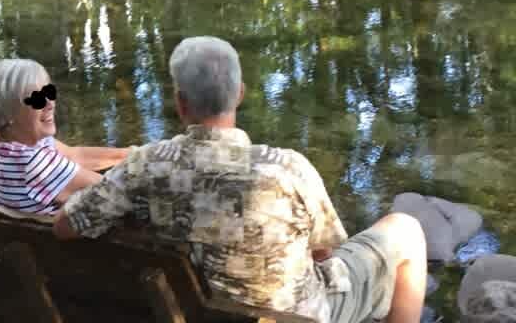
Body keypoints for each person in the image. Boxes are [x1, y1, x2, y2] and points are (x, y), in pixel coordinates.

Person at [53, 36, 427, 323]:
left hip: (191, 311)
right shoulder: (287, 169)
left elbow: (65, 226)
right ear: (241, 94)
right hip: (295, 316)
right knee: (406, 230)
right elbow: (325, 252)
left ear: (181, 103)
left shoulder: (145, 166)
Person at [0, 58, 130, 214]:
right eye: (37, 98)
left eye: (49, 91)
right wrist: (148, 162)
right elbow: (113, 191)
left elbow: (75, 155)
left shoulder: (5, 141)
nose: (50, 104)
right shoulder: (35, 164)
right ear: (9, 113)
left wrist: (131, 153)